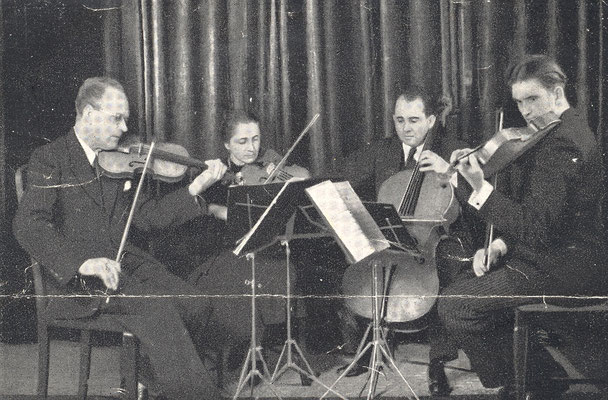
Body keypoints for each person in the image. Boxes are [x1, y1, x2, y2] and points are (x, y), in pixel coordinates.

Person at [12, 77, 243, 399]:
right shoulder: (49, 158)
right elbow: (29, 225)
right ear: (89, 113)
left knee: (197, 303)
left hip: (127, 264)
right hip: (78, 281)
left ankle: (149, 380)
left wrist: (196, 186)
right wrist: (81, 263)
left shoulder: (118, 160)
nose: (123, 129)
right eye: (116, 118)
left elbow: (150, 218)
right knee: (158, 311)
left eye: (126, 120)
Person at [436, 55, 607, 399]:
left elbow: (538, 229)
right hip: (549, 257)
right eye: (519, 102)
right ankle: (536, 378)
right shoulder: (565, 130)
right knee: (466, 286)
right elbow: (542, 217)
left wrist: (479, 187)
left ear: (557, 94)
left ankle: (535, 381)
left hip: (562, 268)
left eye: (533, 99)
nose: (526, 112)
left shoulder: (563, 143)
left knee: (456, 305)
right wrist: (499, 246)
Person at [336, 86, 475, 396]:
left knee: (448, 267)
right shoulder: (381, 150)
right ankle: (365, 347)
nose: (406, 128)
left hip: (435, 243)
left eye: (414, 120)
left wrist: (451, 172)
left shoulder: (453, 149)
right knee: (350, 254)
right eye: (399, 120)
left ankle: (438, 361)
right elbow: (339, 175)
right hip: (393, 241)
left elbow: (474, 199)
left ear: (430, 120)